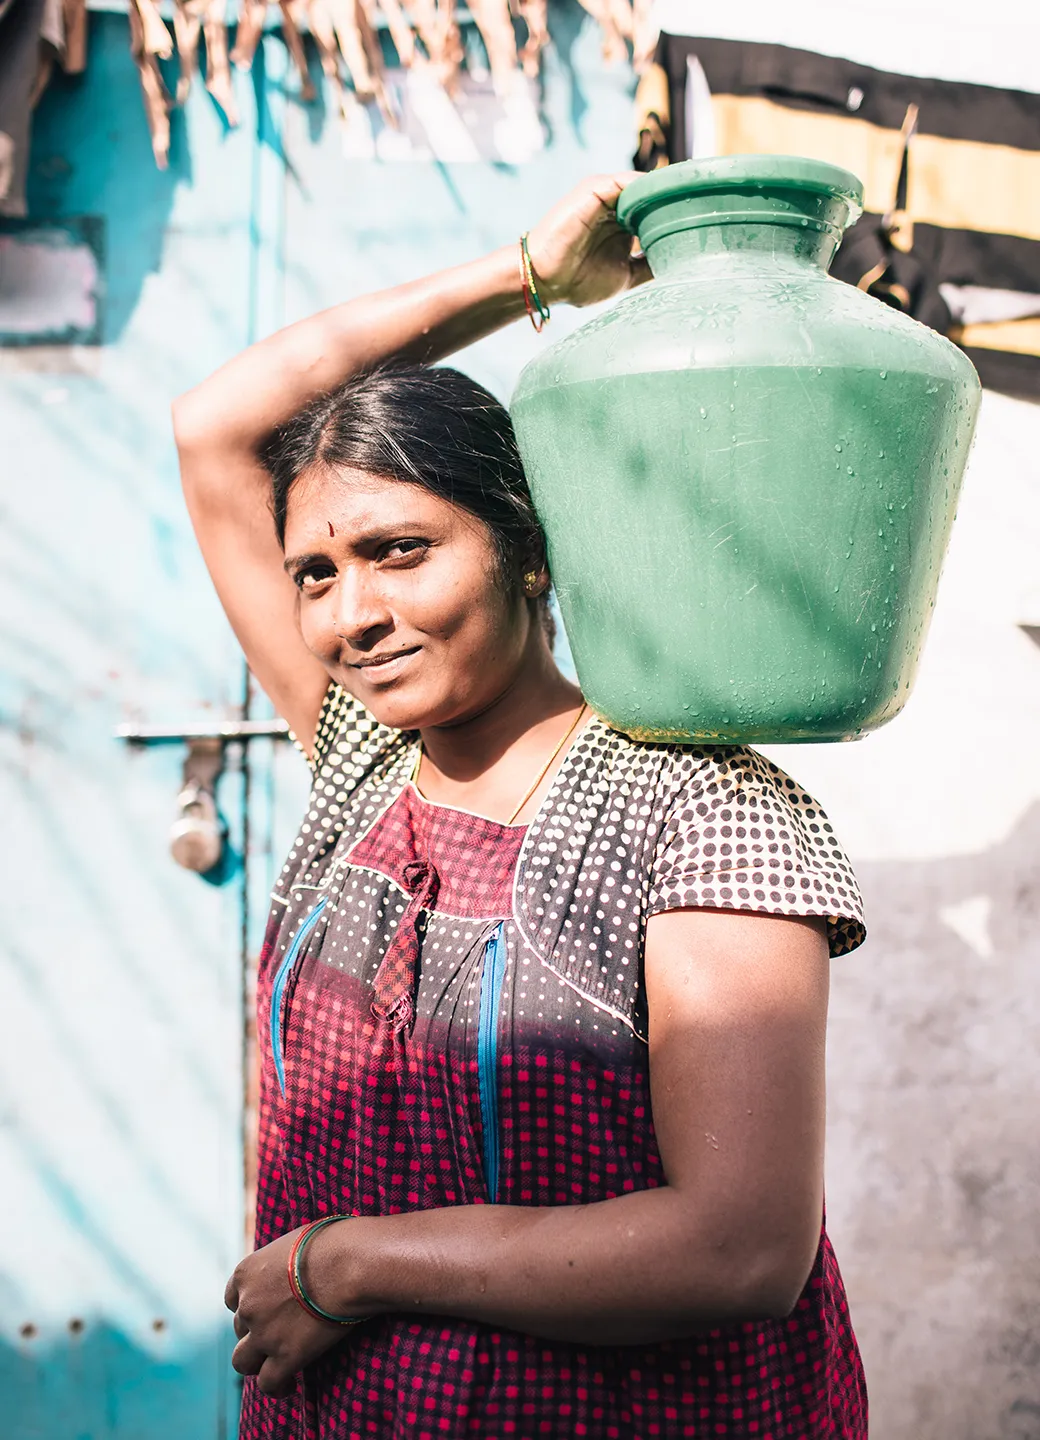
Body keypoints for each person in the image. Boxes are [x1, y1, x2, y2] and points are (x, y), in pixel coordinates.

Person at [174, 172, 867, 1440]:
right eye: (314, 575)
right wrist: (526, 277)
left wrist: (348, 1264)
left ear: (527, 547)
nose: (351, 618)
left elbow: (738, 1249)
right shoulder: (359, 764)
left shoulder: (698, 807)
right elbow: (219, 424)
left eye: (400, 551)